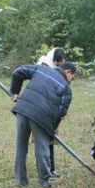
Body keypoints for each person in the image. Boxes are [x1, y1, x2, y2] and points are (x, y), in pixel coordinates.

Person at [10, 62, 76, 187]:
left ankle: (20, 181)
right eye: (72, 78)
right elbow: (60, 113)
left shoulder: (40, 69)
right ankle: (44, 182)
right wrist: (51, 132)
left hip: (22, 109)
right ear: (68, 72)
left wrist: (15, 91)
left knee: (21, 147)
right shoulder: (66, 89)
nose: (71, 81)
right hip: (41, 117)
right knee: (42, 149)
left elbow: (18, 71)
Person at [37, 47, 66, 177]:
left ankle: (51, 168)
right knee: (43, 141)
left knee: (50, 140)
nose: (57, 67)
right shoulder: (42, 66)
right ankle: (45, 170)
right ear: (52, 60)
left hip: (52, 109)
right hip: (40, 108)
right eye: (56, 64)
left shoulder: (54, 68)